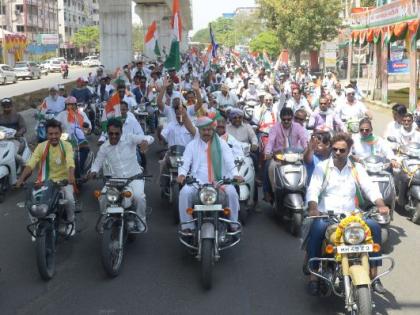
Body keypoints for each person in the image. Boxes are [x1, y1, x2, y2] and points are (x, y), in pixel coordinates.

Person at [305, 132, 389, 295]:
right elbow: (313, 189)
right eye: (335, 149)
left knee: (375, 228)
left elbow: (369, 187)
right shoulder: (322, 167)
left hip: (352, 215)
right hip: (327, 215)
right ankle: (313, 277)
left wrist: (381, 204)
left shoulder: (356, 168)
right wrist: (313, 207)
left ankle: (374, 275)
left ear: (349, 150)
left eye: (342, 150)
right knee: (316, 231)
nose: (337, 153)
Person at [177, 116, 243, 231]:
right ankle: (187, 226)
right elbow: (185, 162)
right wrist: (181, 174)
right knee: (184, 192)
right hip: (197, 182)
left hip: (220, 181)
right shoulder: (192, 145)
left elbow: (229, 162)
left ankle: (233, 223)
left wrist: (235, 174)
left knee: (232, 193)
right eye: (204, 130)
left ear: (213, 130)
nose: (206, 132)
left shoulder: (222, 144)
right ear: (199, 130)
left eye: (209, 129)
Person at [89, 119, 154, 232]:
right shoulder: (104, 147)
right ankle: (105, 218)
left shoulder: (129, 138)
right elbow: (97, 162)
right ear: (107, 133)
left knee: (139, 197)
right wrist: (93, 171)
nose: (113, 136)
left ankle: (140, 222)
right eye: (111, 133)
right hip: (115, 180)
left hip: (135, 177)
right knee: (102, 197)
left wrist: (145, 142)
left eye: (116, 133)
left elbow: (149, 137)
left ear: (121, 132)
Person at [16, 119, 76, 235]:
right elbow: (31, 164)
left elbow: (70, 162)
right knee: (31, 202)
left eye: (56, 134)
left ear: (60, 133)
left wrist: (71, 176)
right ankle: (36, 224)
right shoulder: (41, 147)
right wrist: (21, 179)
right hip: (44, 182)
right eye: (50, 134)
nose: (53, 136)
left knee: (69, 199)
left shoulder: (67, 145)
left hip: (62, 182)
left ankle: (71, 221)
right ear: (46, 134)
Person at [264, 107, 308, 201]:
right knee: (269, 166)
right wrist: (268, 153)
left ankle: (305, 191)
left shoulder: (298, 127)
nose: (286, 121)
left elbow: (304, 141)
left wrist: (306, 150)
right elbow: (270, 142)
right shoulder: (275, 128)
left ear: (292, 118)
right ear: (280, 118)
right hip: (279, 156)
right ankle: (270, 191)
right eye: (284, 119)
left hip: (295, 156)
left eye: (289, 119)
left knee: (305, 167)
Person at [56, 96, 92, 180]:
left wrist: (87, 128)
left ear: (76, 105)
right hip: (65, 136)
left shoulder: (81, 114)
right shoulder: (62, 114)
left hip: (79, 138)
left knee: (85, 149)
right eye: (68, 105)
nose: (70, 107)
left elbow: (88, 126)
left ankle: (80, 171)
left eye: (72, 104)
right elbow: (55, 123)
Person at [0, 98, 27, 163]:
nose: (6, 108)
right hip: (2, 140)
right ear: (2, 107)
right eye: (5, 107)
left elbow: (23, 127)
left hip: (15, 139)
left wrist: (19, 133)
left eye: (8, 106)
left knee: (12, 154)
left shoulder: (17, 116)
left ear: (11, 106)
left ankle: (24, 164)